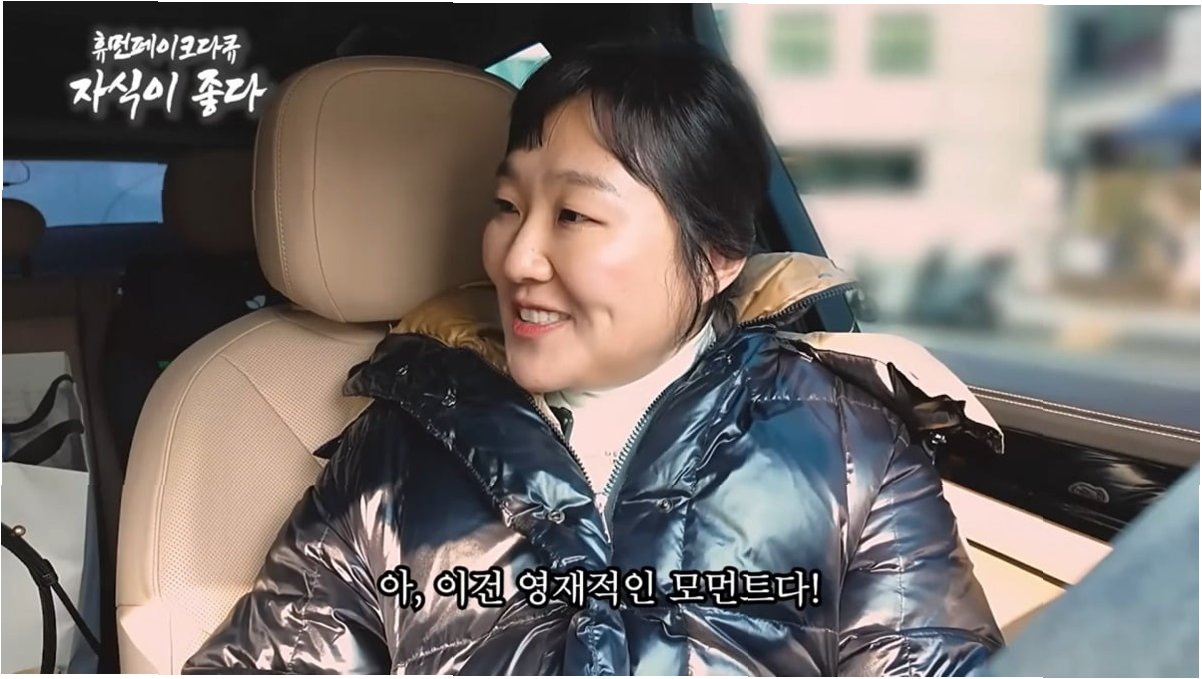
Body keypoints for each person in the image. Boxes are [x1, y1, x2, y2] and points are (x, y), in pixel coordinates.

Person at [183, 42, 1002, 675]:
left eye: (574, 215)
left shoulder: (851, 447)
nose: (516, 258)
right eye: (506, 205)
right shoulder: (394, 455)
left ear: (718, 255)